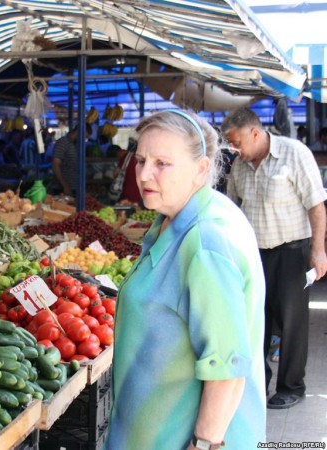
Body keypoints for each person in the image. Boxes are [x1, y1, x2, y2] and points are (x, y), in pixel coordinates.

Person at [105, 110, 266, 450]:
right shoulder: (184, 216)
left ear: (201, 169)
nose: (145, 174)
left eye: (162, 163)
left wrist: (205, 443)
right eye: (141, 160)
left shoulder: (205, 241)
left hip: (176, 438)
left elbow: (228, 365)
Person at [221, 107, 327, 409]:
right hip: (255, 255)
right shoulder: (240, 166)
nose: (234, 149)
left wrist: (318, 251)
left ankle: (292, 386)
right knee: (257, 321)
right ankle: (257, 384)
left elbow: (317, 206)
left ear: (255, 132)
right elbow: (232, 208)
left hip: (293, 252)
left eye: (237, 141)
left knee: (292, 323)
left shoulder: (294, 154)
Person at [51, 123, 92, 196]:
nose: (85, 139)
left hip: (75, 189)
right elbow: (55, 165)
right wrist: (65, 186)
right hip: (63, 190)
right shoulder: (63, 142)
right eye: (85, 136)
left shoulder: (78, 145)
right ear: (78, 131)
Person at [113, 138, 142, 206]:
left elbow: (115, 173)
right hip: (140, 193)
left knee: (123, 213)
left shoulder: (127, 157)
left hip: (125, 192)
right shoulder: (145, 158)